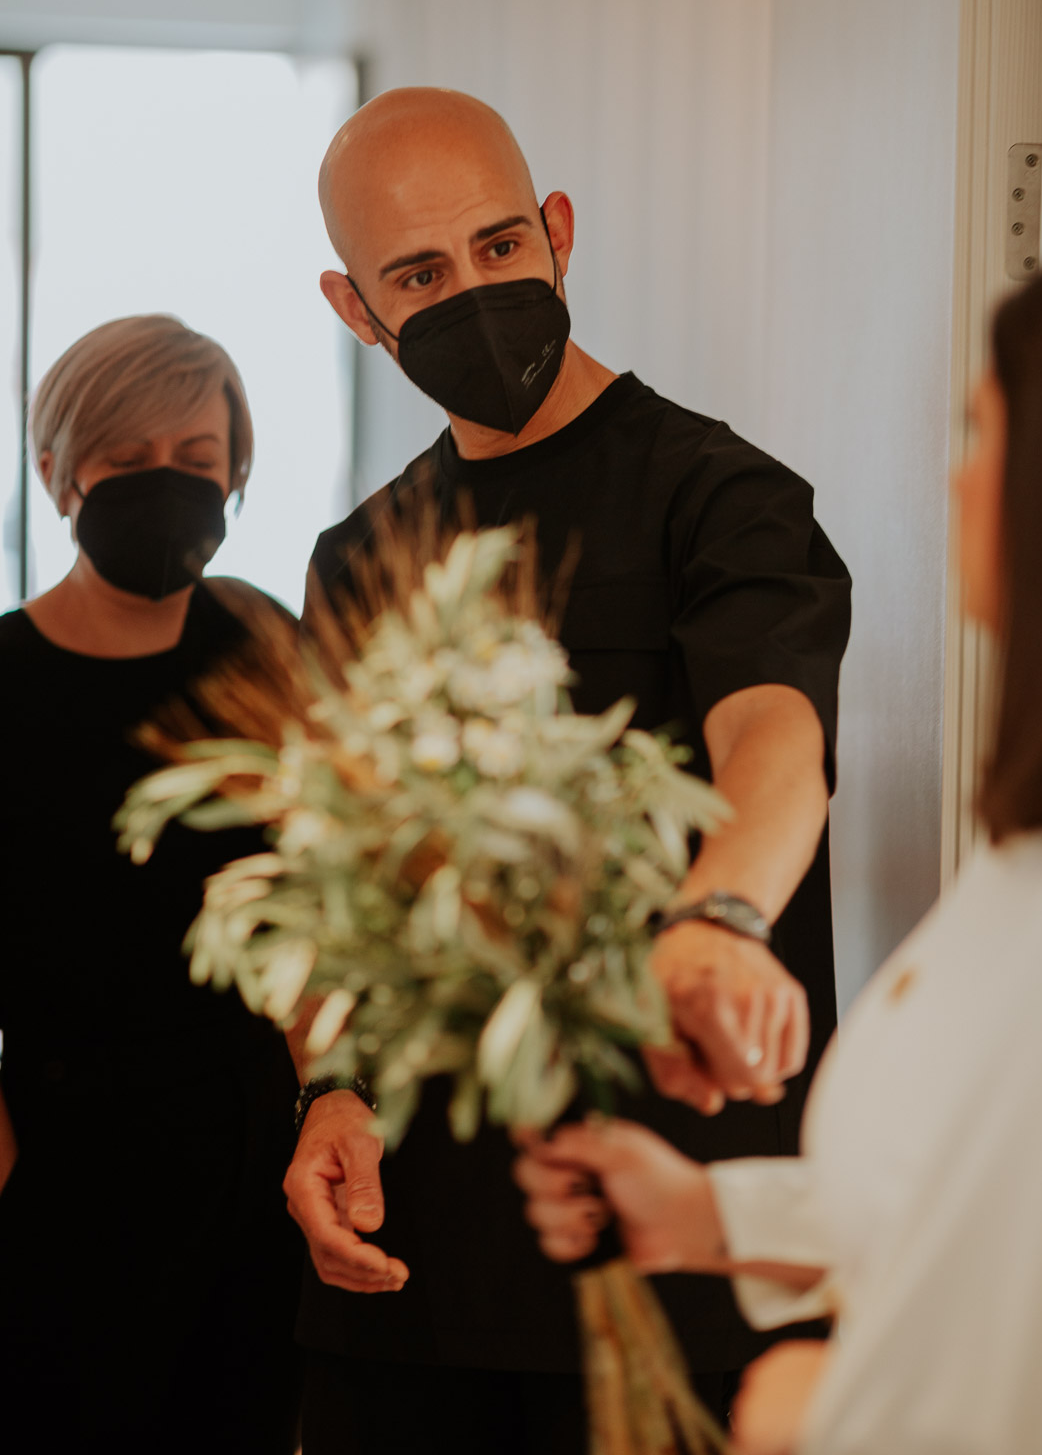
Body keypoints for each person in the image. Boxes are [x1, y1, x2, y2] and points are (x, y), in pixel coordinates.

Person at [284, 86, 852, 1454]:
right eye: (418, 274)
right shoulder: (361, 557)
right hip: (417, 1251)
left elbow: (774, 740)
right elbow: (334, 872)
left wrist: (719, 920)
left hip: (673, 1206)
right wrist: (327, 1089)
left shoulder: (720, 495)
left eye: (498, 247)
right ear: (354, 309)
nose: (473, 292)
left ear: (557, 231)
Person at [516, 242, 1042, 1455]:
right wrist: (707, 1211)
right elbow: (969, 1208)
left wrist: (837, 1416)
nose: (954, 482)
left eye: (980, 431)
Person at [0, 316, 304, 1455]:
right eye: (128, 463)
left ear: (235, 475)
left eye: (196, 460)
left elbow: (323, 900)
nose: (167, 486)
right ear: (58, 472)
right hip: (61, 1175)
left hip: (251, 1175)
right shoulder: (5, 683)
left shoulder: (264, 642)